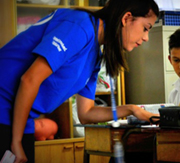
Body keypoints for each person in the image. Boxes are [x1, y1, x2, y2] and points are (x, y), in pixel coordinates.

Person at [0, 0, 159, 162]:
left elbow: (86, 113)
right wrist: (16, 141)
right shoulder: (80, 26)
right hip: (4, 110)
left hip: (20, 120)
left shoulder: (95, 54)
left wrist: (132, 110)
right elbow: (29, 79)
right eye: (145, 28)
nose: (146, 38)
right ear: (127, 18)